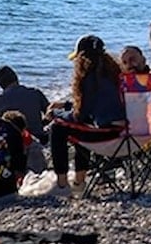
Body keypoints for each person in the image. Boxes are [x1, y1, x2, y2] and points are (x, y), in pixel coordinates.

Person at [47, 35, 128, 194]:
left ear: (82, 58)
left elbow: (79, 115)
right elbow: (97, 104)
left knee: (57, 128)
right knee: (82, 126)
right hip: (129, 134)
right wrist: (66, 106)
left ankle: (63, 185)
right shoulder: (114, 74)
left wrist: (56, 114)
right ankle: (79, 181)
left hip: (108, 137)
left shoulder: (90, 78)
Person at [0, 65, 50, 174]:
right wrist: (40, 123)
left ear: (1, 84)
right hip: (39, 140)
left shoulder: (0, 100)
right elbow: (50, 113)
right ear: (16, 78)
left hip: (16, 144)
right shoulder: (35, 93)